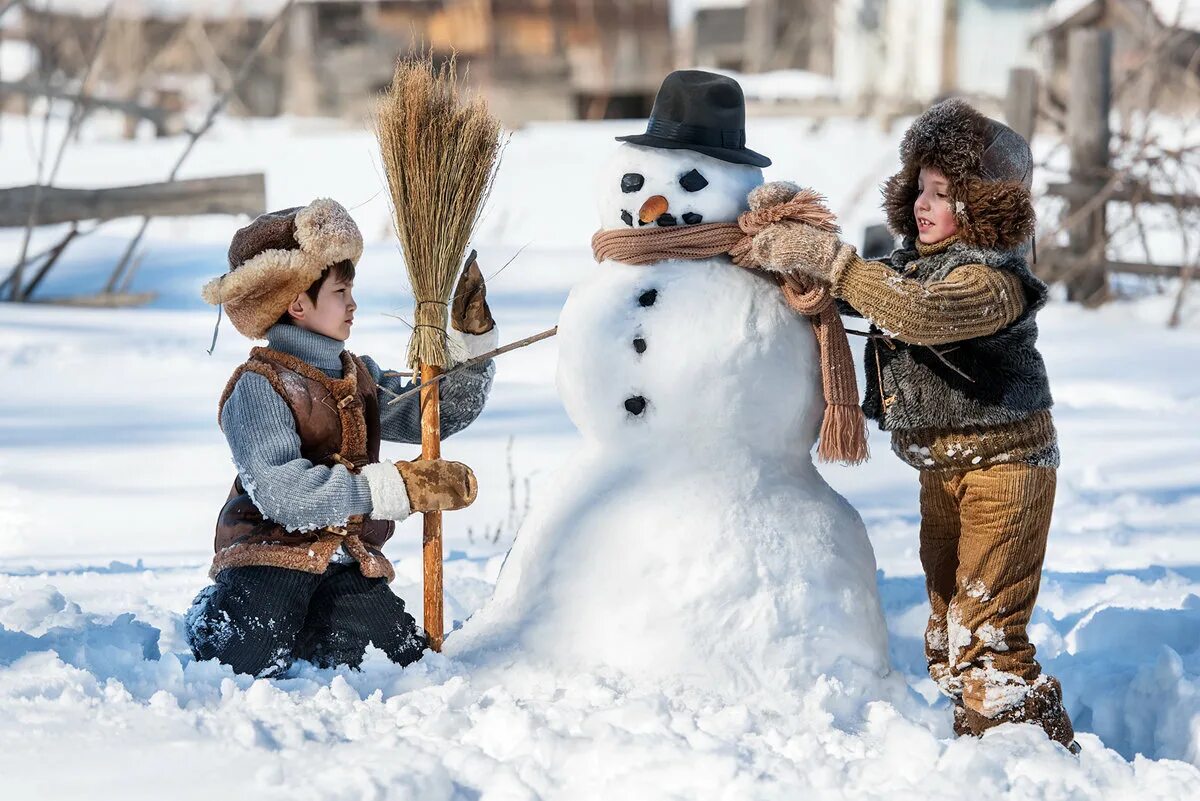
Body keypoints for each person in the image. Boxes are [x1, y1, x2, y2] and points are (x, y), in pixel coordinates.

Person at [746, 99, 1077, 750]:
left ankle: (1031, 765)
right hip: (944, 472)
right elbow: (869, 289)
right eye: (919, 187)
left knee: (985, 637)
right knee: (946, 636)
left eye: (943, 192)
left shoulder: (993, 279)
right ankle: (989, 745)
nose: (923, 203)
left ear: (982, 205)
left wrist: (833, 260)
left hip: (1006, 473)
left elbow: (917, 312)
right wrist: (792, 241)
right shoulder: (914, 264)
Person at [184, 198, 497, 677]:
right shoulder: (259, 386)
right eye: (340, 291)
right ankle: (216, 613)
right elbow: (284, 494)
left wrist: (470, 348)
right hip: (270, 554)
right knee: (248, 656)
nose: (353, 304)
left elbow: (431, 417)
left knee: (395, 660)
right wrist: (396, 488)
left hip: (344, 561)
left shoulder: (360, 377)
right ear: (297, 303)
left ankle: (316, 625)